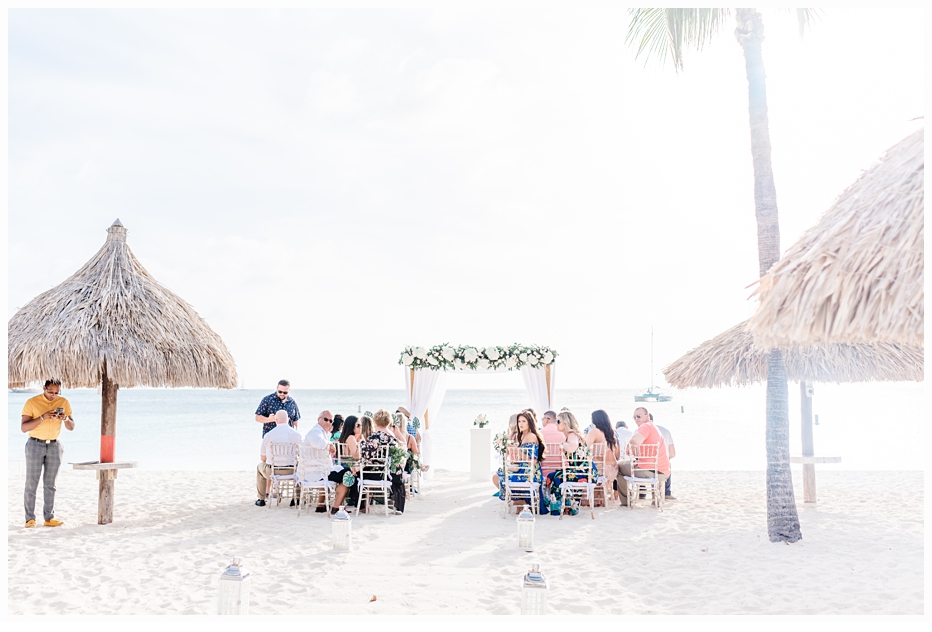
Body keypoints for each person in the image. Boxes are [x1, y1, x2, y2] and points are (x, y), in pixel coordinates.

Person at [20, 379, 75, 528]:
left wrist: (64, 419)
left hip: (55, 446)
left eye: (56, 393)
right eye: (50, 392)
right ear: (44, 388)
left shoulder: (63, 402)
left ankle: (49, 518)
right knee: (32, 483)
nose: (53, 395)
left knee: (50, 485)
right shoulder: (32, 402)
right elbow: (24, 428)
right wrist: (43, 417)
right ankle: (30, 519)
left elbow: (71, 426)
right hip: (35, 444)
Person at [545, 411, 598, 514]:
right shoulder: (570, 436)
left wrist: (563, 444)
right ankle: (565, 507)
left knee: (556, 478)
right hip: (580, 471)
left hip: (585, 472)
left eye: (558, 421)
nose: (556, 423)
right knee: (552, 476)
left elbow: (572, 448)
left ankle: (558, 509)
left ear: (566, 422)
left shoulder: (572, 435)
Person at [616, 407, 670, 506]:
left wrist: (629, 444)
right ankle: (656, 500)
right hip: (663, 471)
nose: (636, 419)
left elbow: (636, 441)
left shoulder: (645, 426)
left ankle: (625, 501)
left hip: (650, 471)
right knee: (640, 464)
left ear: (647, 416)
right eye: (634, 417)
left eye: (639, 416)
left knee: (618, 466)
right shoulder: (653, 427)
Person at [493, 411, 545, 511]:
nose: (520, 424)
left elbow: (533, 461)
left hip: (531, 473)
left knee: (503, 477)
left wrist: (518, 451)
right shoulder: (523, 436)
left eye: (523, 421)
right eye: (519, 421)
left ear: (529, 423)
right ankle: (521, 503)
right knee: (501, 474)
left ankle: (522, 502)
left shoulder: (530, 436)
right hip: (524, 470)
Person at [304, 410, 355, 512]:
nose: (328, 422)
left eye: (330, 421)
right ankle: (336, 507)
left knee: (341, 470)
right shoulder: (315, 432)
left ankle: (321, 505)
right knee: (349, 474)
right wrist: (330, 444)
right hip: (317, 473)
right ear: (318, 419)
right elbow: (318, 443)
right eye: (326, 419)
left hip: (318, 471)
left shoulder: (322, 433)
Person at [360, 409, 407, 514]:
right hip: (389, 474)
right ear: (389, 422)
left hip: (375, 473)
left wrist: (362, 443)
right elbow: (402, 451)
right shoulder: (393, 438)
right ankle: (395, 504)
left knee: (358, 474)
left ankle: (363, 506)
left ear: (375, 422)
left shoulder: (374, 436)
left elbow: (367, 455)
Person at [256, 410, 302, 507]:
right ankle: (297, 498)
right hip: (292, 471)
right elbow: (302, 455)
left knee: (259, 467)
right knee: (301, 467)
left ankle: (261, 499)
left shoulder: (268, 435)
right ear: (288, 419)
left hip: (272, 472)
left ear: (275, 420)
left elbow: (263, 458)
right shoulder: (296, 435)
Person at [587, 409, 620, 486]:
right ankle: (601, 496)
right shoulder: (611, 432)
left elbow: (584, 447)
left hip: (602, 469)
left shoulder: (594, 431)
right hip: (613, 468)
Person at [652, 415, 677, 500]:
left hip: (645, 466)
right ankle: (667, 492)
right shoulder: (665, 431)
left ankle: (642, 494)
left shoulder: (638, 431)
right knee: (667, 463)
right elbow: (672, 454)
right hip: (662, 466)